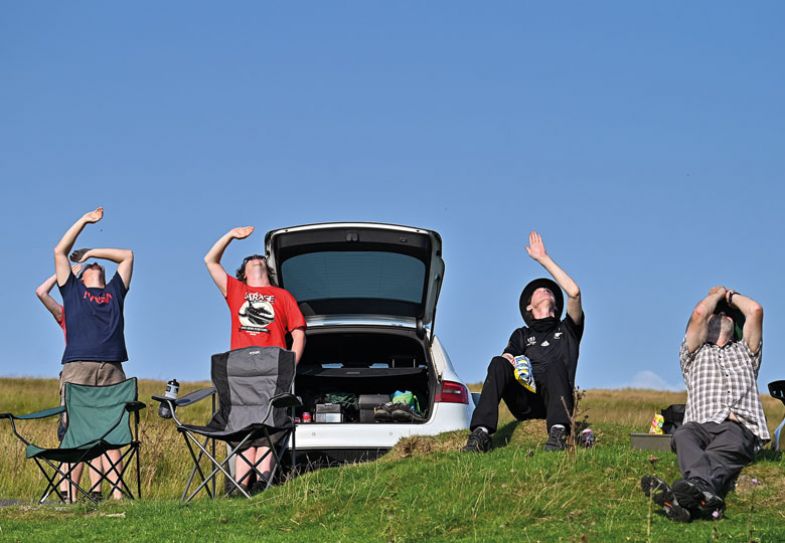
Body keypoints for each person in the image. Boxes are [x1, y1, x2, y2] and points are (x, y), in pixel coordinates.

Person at [641, 286, 768, 522]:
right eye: (715, 313)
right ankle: (699, 498)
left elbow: (756, 310)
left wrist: (729, 295)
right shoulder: (693, 354)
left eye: (725, 313)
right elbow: (699, 314)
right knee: (682, 436)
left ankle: (686, 495)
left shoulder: (747, 352)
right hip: (698, 425)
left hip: (736, 426)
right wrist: (715, 296)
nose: (720, 314)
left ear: (733, 322)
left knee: (727, 443)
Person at [205, 226, 306, 493]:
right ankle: (240, 487)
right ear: (244, 272)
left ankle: (261, 483)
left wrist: (289, 367)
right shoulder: (236, 290)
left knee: (269, 423)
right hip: (241, 371)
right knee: (243, 426)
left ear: (267, 270)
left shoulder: (283, 296)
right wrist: (229, 235)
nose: (255, 259)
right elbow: (210, 261)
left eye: (259, 260)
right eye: (250, 261)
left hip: (272, 371)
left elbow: (298, 333)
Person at [464, 231, 584, 453]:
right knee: (498, 362)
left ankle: (558, 432)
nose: (545, 290)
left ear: (556, 304)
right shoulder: (521, 334)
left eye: (549, 290)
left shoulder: (567, 330)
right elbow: (507, 357)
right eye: (539, 290)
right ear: (529, 306)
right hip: (526, 402)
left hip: (557, 402)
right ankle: (480, 433)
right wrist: (509, 358)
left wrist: (543, 259)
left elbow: (574, 292)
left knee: (555, 364)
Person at [54, 207, 134, 501]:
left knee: (112, 431)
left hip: (113, 367)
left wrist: (91, 253)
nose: (97, 265)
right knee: (74, 431)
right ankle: (68, 494)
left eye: (99, 264)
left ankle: (115, 495)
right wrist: (84, 222)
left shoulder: (115, 291)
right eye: (91, 265)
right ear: (82, 276)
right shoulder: (72, 291)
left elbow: (127, 256)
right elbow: (60, 252)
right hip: (78, 366)